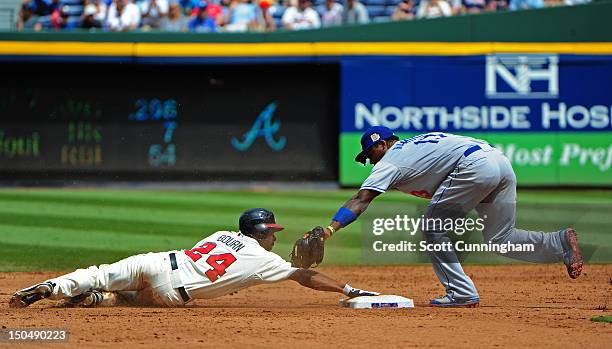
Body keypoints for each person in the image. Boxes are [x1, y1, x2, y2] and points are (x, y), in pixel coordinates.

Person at [307, 126, 583, 307]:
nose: (371, 161)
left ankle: (461, 293)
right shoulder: (413, 146)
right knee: (500, 238)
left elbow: (361, 198)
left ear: (382, 145)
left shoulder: (391, 159)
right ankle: (559, 243)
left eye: (370, 154)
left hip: (474, 165)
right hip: (499, 161)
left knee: (432, 227)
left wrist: (330, 230)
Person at [10, 208, 378, 308]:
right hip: (175, 288)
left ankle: (54, 287)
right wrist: (348, 288)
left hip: (157, 261)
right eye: (271, 231)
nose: (273, 236)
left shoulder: (221, 234)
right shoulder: (266, 262)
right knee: (134, 301)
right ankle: (97, 300)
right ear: (259, 232)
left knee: (99, 272)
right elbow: (305, 277)